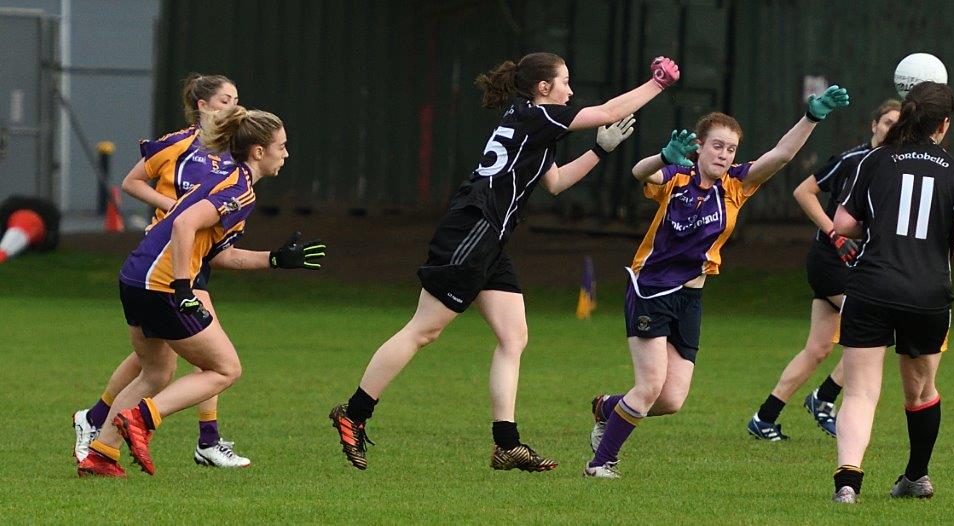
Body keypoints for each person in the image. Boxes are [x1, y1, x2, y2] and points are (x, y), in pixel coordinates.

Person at [328, 52, 678, 472]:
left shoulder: (529, 120)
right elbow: (606, 111)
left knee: (513, 338)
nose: (570, 90)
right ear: (543, 88)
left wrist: (600, 151)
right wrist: (656, 84)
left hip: (489, 239)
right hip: (472, 229)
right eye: (564, 81)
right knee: (423, 330)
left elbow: (556, 183)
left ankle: (506, 444)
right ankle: (355, 411)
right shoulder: (537, 116)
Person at [586, 85, 851, 478]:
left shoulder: (736, 186)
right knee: (649, 386)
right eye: (717, 146)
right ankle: (601, 462)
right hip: (652, 291)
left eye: (730, 149)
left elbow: (781, 156)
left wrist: (811, 117)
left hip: (690, 300)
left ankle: (609, 408)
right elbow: (640, 172)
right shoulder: (676, 175)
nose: (724, 155)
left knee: (671, 399)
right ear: (699, 148)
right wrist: (662, 156)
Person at [77, 106, 325, 477]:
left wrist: (274, 260)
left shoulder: (230, 179)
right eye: (282, 146)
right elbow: (184, 227)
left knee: (155, 370)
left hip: (135, 277)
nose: (286, 154)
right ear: (258, 151)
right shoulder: (238, 188)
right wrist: (182, 287)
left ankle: (100, 455)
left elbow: (218, 255)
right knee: (224, 369)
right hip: (160, 285)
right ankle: (141, 420)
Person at [73, 74, 260, 468]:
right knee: (209, 360)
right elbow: (131, 182)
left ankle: (99, 433)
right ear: (204, 106)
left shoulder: (232, 155)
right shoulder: (180, 143)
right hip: (166, 261)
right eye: (226, 99)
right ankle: (199, 438)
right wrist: (173, 211)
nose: (233, 107)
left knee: (160, 362)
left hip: (187, 259)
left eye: (237, 99)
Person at [830, 81, 954, 503]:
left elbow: (843, 225)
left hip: (871, 287)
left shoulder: (875, 160)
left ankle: (848, 482)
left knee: (860, 392)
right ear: (944, 124)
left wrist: (873, 227)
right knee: (920, 391)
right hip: (927, 295)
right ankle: (916, 476)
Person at [747, 100, 901, 440]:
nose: (892, 128)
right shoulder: (852, 160)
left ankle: (764, 418)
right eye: (888, 121)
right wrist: (834, 233)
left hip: (856, 265)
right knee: (876, 330)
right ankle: (825, 398)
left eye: (899, 124)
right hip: (831, 261)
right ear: (874, 125)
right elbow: (803, 191)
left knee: (818, 348)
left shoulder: (893, 166)